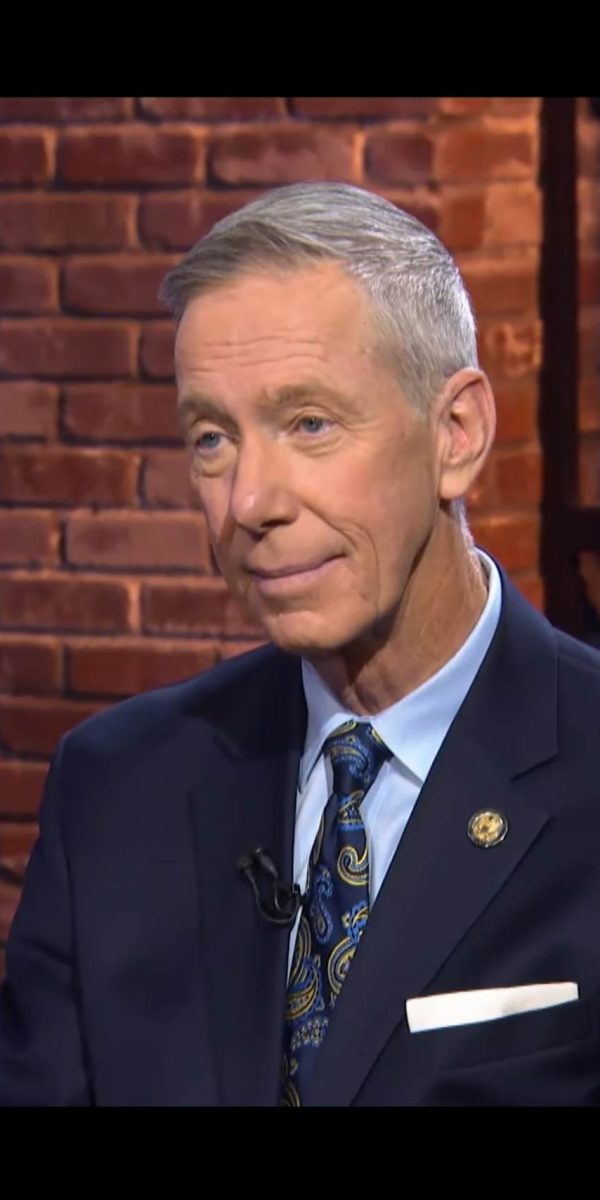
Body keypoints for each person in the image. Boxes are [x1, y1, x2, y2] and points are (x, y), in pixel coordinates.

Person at [1, 181, 599, 1107]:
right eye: (212, 438)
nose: (249, 502)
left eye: (309, 423)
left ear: (456, 434)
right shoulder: (114, 789)